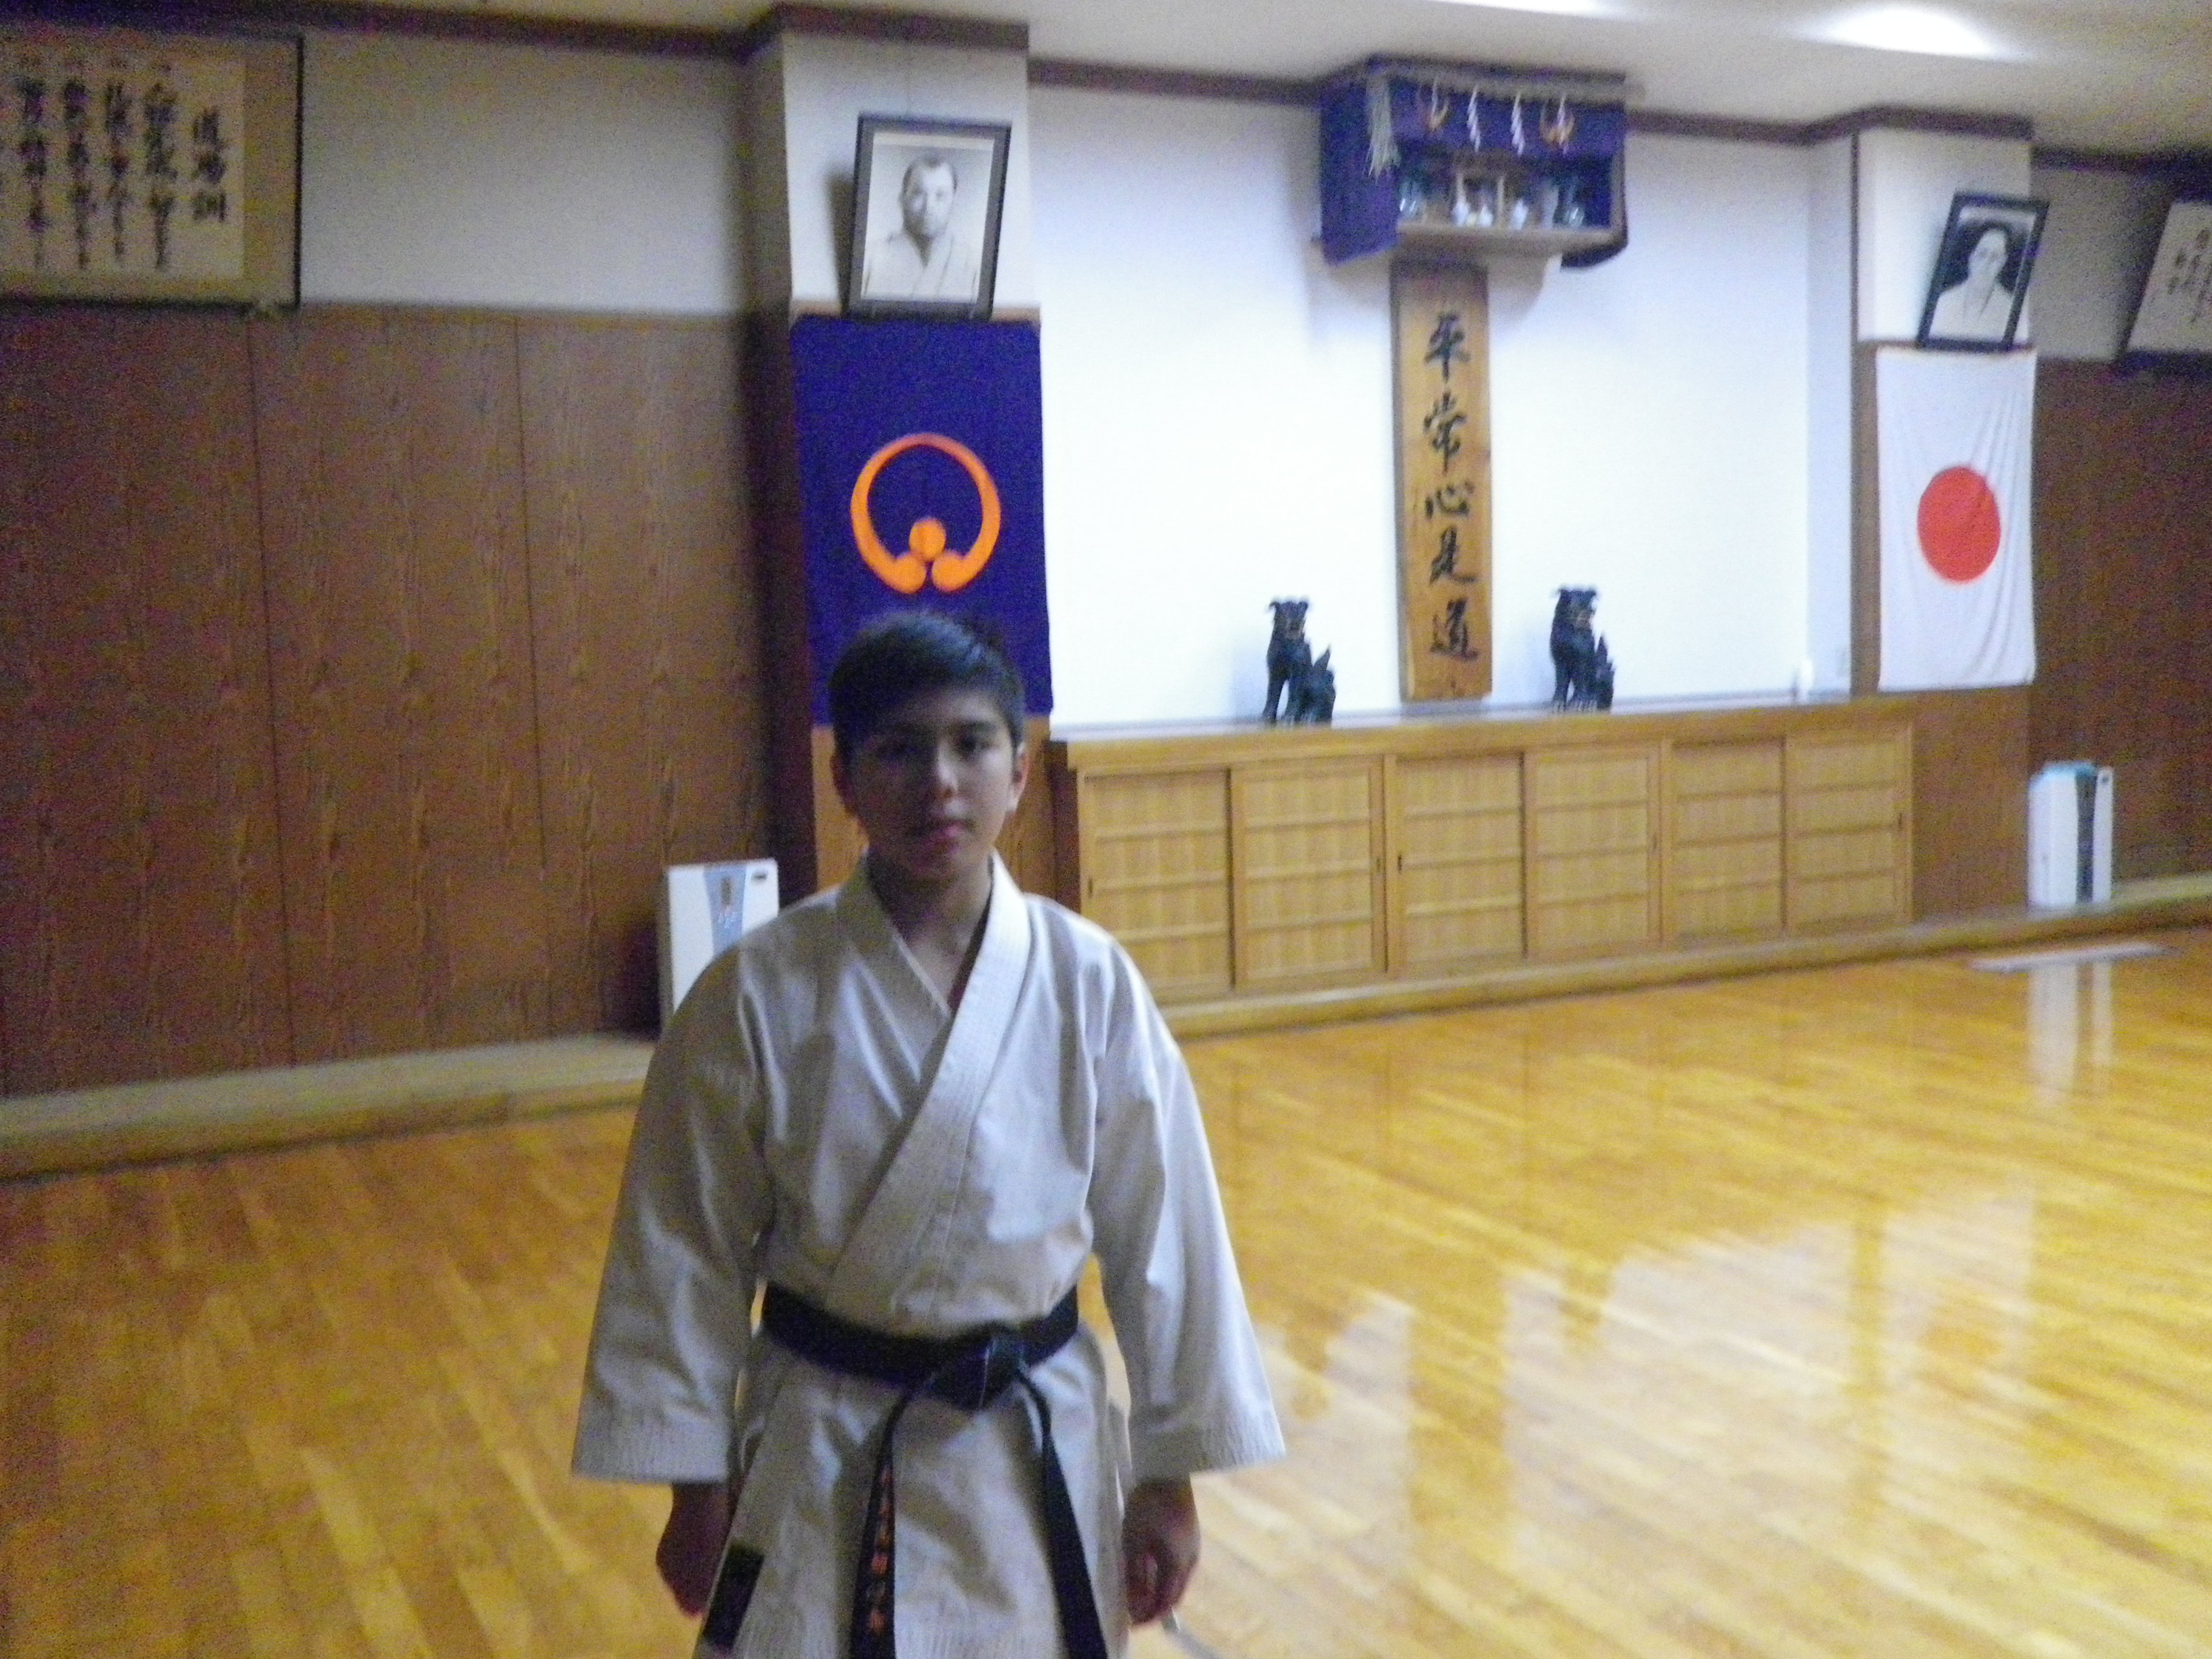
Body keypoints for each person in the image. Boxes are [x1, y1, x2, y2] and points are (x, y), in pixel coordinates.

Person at [572, 611, 1284, 1659]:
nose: (938, 782)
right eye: (899, 749)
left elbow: (1165, 1233)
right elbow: (682, 1246)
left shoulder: (1088, 981)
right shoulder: (756, 991)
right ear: (845, 781)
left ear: (1019, 770)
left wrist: (1167, 1472)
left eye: (970, 744)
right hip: (824, 1446)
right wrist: (695, 1480)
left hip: (1030, 1451)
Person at [862, 153, 981, 301]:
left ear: (954, 204)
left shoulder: (973, 263)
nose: (928, 207)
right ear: (902, 200)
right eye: (918, 194)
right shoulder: (870, 258)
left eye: (940, 196)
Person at [1929, 221, 2019, 341]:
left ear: (2003, 262)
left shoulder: (2009, 308)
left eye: (1995, 257)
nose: (1986, 264)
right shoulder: (1944, 302)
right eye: (1982, 254)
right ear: (1971, 256)